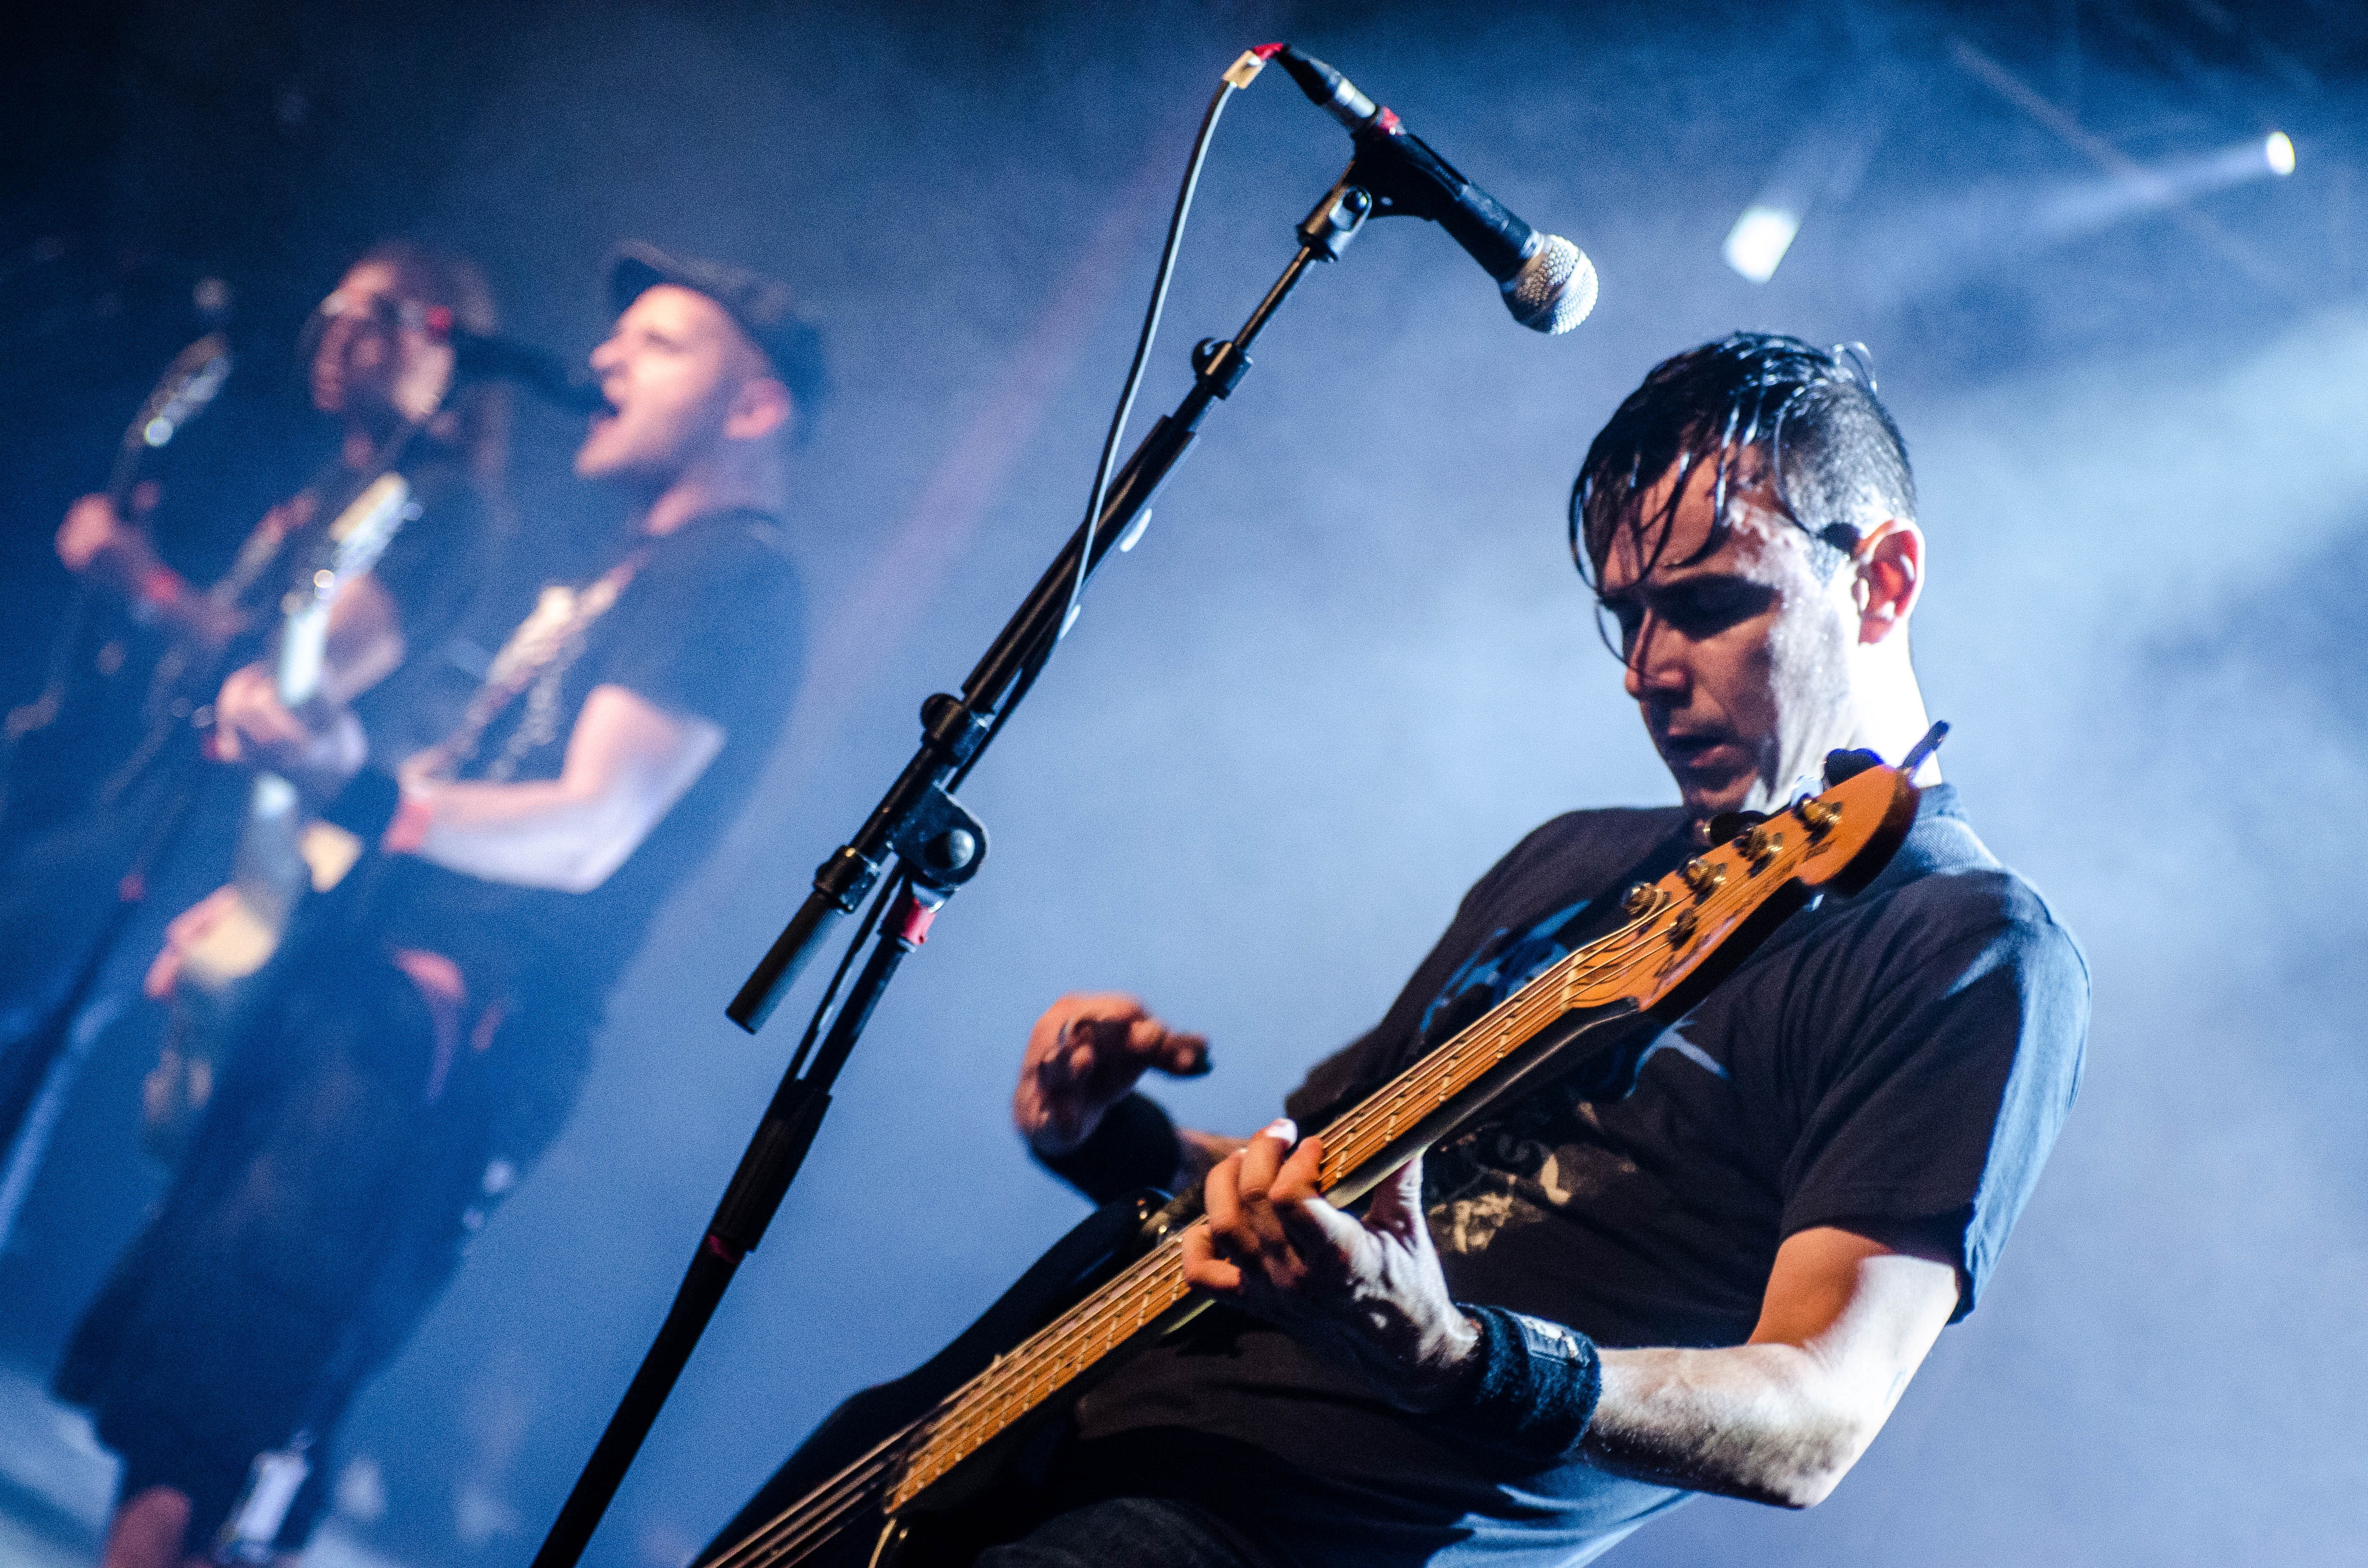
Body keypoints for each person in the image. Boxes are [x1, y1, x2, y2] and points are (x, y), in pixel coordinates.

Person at [982, 335, 2089, 1566]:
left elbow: (1817, 1419)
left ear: (1880, 581)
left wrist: (1457, 1358)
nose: (1645, 672)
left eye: (1707, 604)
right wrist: (1113, 1139)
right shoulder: (1571, 858)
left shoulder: (1965, 946)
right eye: (1624, 617)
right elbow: (1317, 1190)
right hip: (1037, 1441)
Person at [54, 242, 823, 1568]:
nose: (604, 359)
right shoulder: (632, 572)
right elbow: (461, 783)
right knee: (176, 1393)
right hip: (362, 1000)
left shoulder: (732, 580)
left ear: (754, 405)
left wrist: (360, 799)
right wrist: (272, 907)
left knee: (216, 1413)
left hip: (438, 1048)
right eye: (617, 337)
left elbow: (587, 829)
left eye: (658, 344)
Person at [0, 242, 505, 1078]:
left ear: (452, 354)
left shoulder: (444, 504)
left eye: (383, 315)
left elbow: (297, 679)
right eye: (338, 309)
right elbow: (232, 634)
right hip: (155, 790)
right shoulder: (331, 486)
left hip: (222, 831)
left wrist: (147, 585)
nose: (343, 332)